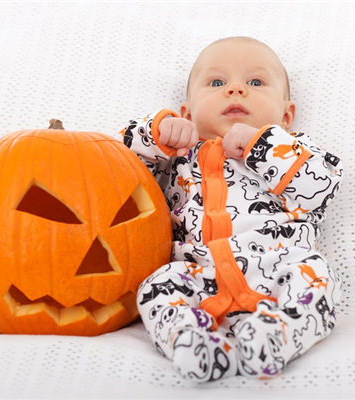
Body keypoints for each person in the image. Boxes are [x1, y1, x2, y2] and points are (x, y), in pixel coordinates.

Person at [118, 36, 343, 382]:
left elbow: (321, 187)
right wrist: (158, 133)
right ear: (188, 113)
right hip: (200, 276)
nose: (235, 90)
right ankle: (195, 342)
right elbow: (118, 170)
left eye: (255, 82)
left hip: (277, 268)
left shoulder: (291, 151)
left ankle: (277, 336)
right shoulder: (177, 160)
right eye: (216, 82)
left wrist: (261, 145)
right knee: (155, 287)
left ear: (286, 116)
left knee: (316, 275)